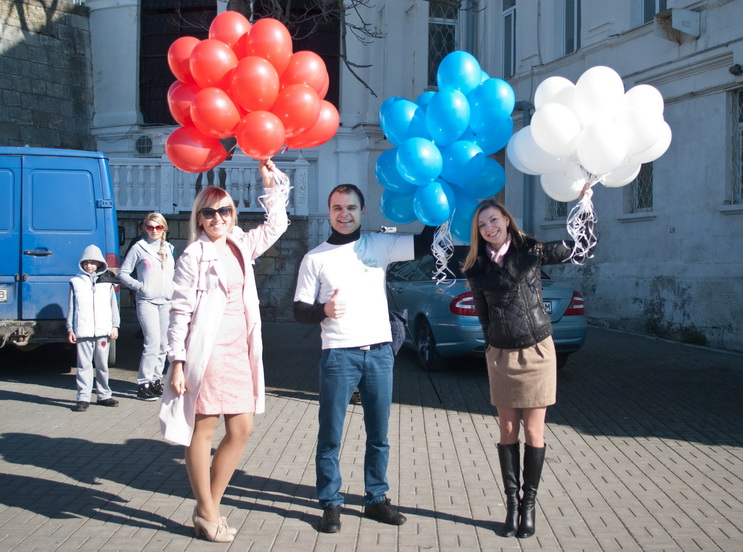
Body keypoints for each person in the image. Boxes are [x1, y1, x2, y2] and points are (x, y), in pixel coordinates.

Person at [159, 159, 290, 543]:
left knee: (242, 427)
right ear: (199, 218)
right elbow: (179, 312)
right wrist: (178, 363)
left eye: (225, 210)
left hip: (240, 347)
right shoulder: (191, 257)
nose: (217, 218)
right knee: (205, 428)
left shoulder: (240, 244)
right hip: (208, 350)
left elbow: (277, 225)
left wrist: (270, 185)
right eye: (209, 212)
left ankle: (207, 508)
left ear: (233, 214)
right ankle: (209, 512)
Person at [293, 183, 434, 534]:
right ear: (330, 212)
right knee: (330, 434)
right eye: (338, 208)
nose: (345, 214)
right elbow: (298, 310)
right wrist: (323, 309)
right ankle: (330, 502)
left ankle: (376, 499)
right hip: (338, 355)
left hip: (380, 354)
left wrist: (436, 201)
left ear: (363, 210)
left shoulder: (380, 245)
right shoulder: (315, 258)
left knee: (379, 434)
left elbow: (425, 244)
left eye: (351, 207)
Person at [462, 189, 594, 539]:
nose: (489, 227)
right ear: (478, 231)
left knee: (535, 432)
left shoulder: (531, 251)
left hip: (537, 350)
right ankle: (511, 505)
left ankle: (530, 506)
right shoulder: (476, 267)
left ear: (506, 220)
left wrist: (586, 207)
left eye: (494, 219)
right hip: (502, 353)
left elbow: (580, 248)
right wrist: (492, 343)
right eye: (482, 224)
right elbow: (481, 311)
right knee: (507, 431)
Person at [119, 212, 175, 401]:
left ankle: (156, 379)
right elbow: (124, 273)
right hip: (147, 301)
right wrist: (139, 286)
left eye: (158, 227)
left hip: (166, 301)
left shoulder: (168, 248)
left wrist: (174, 290)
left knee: (163, 344)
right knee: (151, 342)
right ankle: (143, 382)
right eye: (150, 227)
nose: (154, 231)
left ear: (164, 229)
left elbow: (172, 274)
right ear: (144, 228)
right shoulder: (139, 248)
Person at [66, 244, 121, 412]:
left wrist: (115, 326)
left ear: (99, 264)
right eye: (86, 262)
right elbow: (71, 307)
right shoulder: (76, 282)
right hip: (83, 330)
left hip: (103, 331)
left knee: (102, 365)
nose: (89, 266)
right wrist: (70, 328)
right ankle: (83, 397)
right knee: (83, 365)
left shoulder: (107, 283)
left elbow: (113, 306)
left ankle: (104, 395)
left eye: (93, 262)